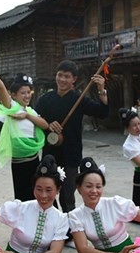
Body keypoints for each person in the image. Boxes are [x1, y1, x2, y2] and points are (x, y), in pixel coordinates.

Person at [0, 49, 49, 201]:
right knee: (22, 199)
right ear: (13, 95)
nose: (27, 96)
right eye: (23, 93)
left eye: (29, 92)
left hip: (34, 160)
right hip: (19, 162)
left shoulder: (30, 111)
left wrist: (26, 115)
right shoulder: (11, 106)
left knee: (37, 197)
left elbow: (45, 125)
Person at [35, 59, 109, 214]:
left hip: (71, 154)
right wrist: (48, 124)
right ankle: (52, 221)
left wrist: (101, 89)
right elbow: (35, 120)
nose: (62, 79)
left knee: (68, 195)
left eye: (67, 76)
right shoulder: (45, 100)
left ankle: (70, 227)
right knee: (47, 192)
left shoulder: (79, 99)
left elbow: (102, 112)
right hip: (50, 153)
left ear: (74, 79)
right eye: (60, 75)